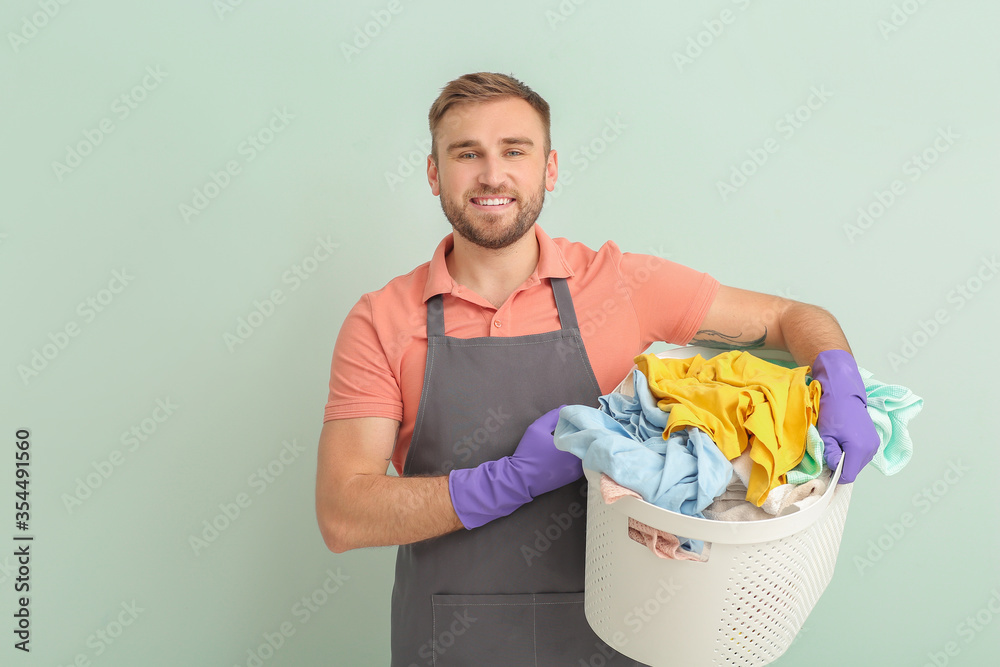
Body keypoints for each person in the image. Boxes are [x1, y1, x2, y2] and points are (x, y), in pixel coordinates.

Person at [315, 72, 878, 666]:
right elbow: (342, 514)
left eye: (514, 151)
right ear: (434, 174)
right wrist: (509, 480)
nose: (492, 174)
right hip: (453, 642)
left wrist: (841, 382)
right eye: (466, 154)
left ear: (549, 169)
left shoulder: (622, 285)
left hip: (621, 636)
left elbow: (793, 316)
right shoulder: (381, 319)